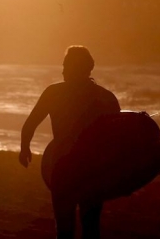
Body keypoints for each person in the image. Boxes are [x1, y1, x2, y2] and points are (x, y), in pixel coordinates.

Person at [19, 46, 121, 239]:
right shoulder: (106, 97)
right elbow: (117, 140)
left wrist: (25, 149)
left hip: (62, 166)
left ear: (80, 68)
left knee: (65, 228)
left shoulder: (54, 93)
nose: (63, 70)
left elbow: (30, 124)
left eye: (67, 65)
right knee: (91, 227)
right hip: (93, 169)